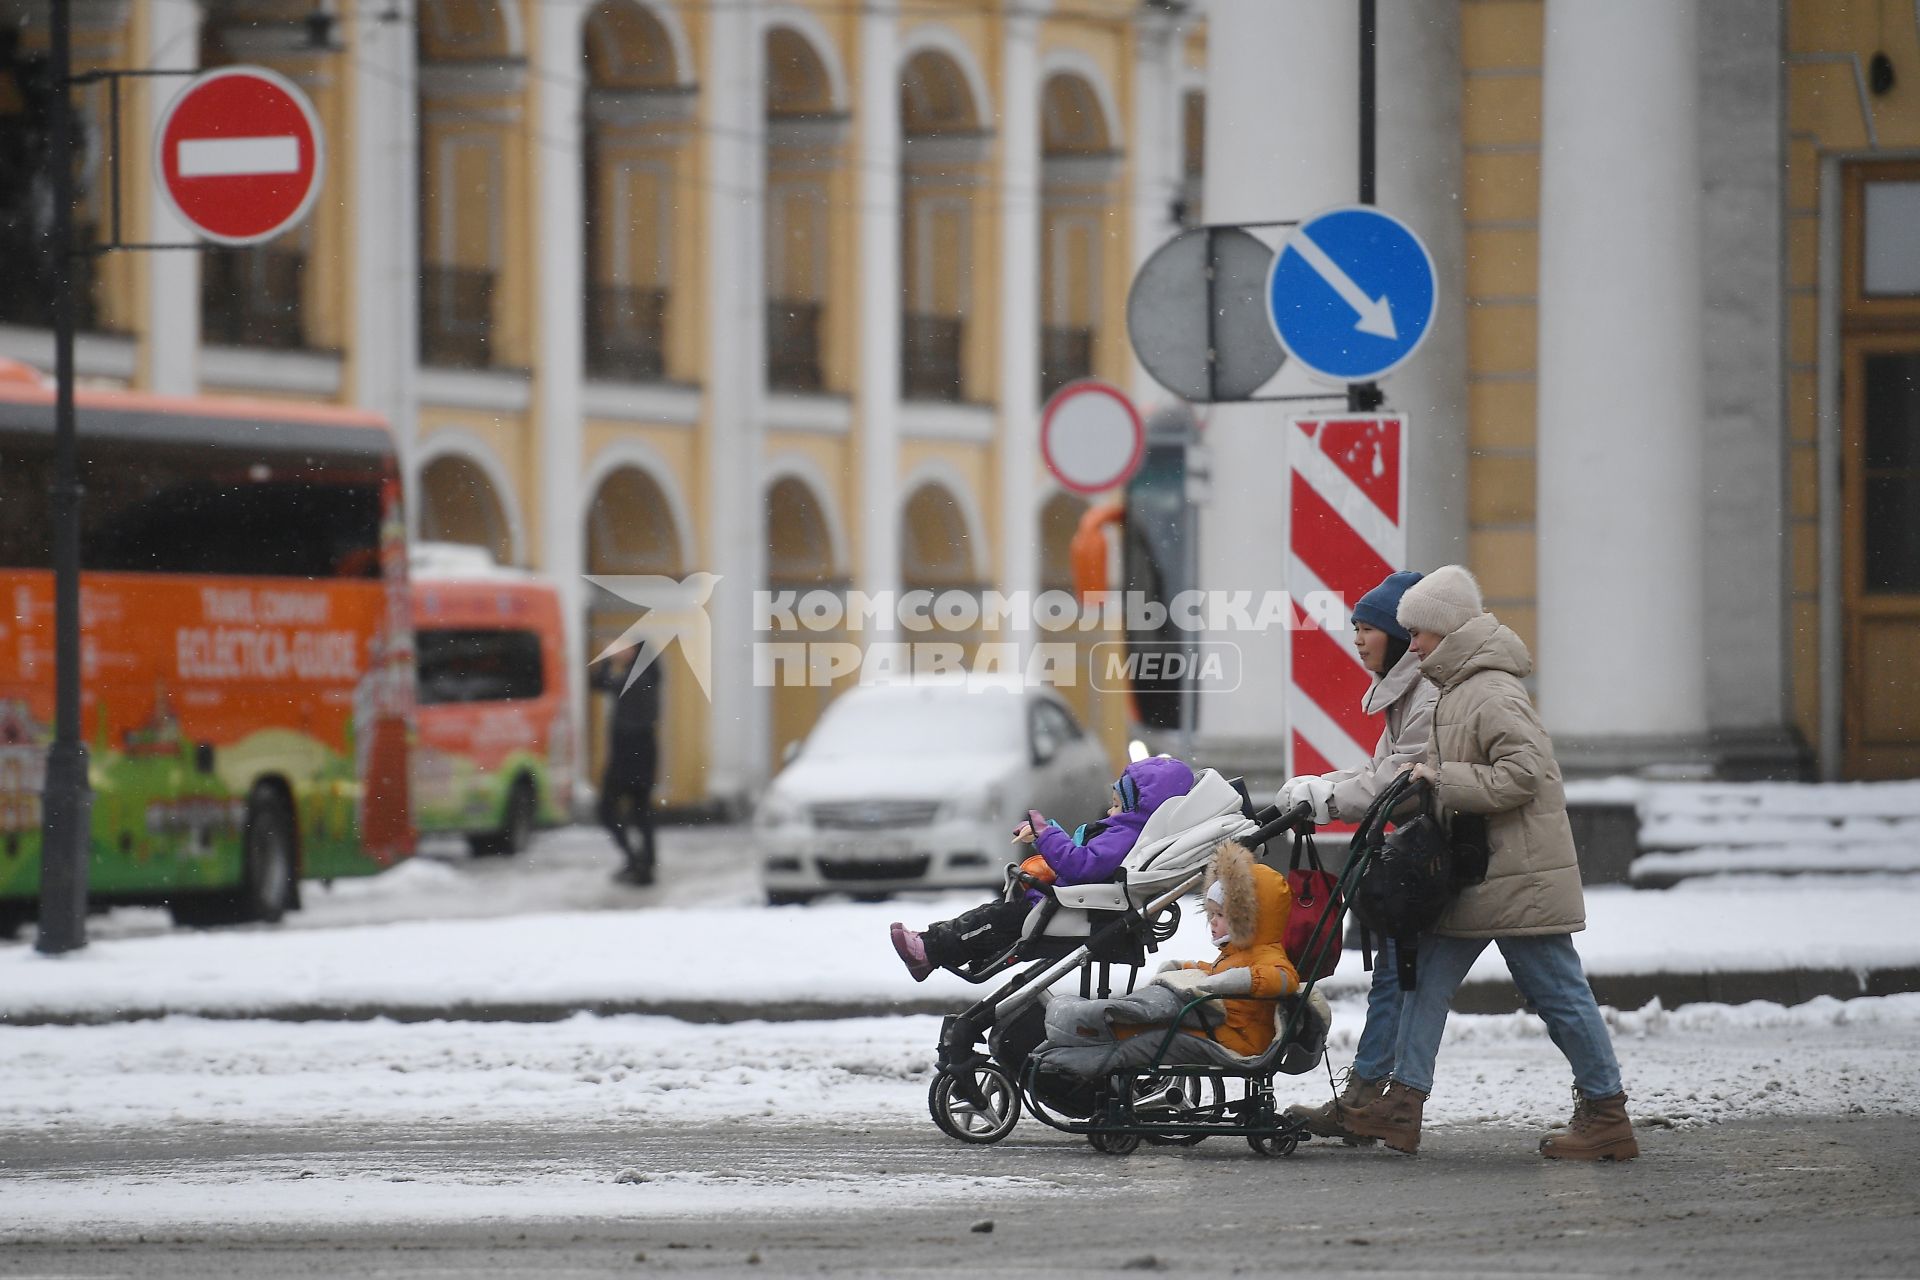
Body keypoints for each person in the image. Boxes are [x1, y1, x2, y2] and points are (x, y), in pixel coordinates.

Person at [1337, 565, 1639, 1161]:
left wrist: (1441, 778)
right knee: (1422, 982)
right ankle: (1401, 1106)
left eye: (1420, 633)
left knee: (1558, 993)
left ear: (1446, 631)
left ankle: (1607, 1113)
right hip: (1478, 874)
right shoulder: (1457, 688)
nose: (1413, 645)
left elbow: (1527, 773)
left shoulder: (1492, 690)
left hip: (1519, 876)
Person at [1269, 569, 1438, 1143]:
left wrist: (1326, 796)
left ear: (1396, 633)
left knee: (1411, 977)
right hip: (1426, 854)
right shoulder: (1405, 694)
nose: (1358, 639)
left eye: (1366, 628)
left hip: (1435, 858)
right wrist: (1321, 787)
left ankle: (1376, 1098)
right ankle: (1376, 1099)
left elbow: (1397, 781)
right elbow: (1382, 774)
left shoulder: (1424, 696)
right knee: (1403, 976)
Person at [889, 756, 1195, 981]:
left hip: (1069, 910)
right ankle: (929, 943)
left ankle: (930, 950)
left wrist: (1045, 834)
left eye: (1116, 804)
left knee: (995, 920)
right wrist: (1047, 833)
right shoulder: (1127, 831)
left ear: (1136, 805)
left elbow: (1082, 865)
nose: (1110, 810)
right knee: (992, 916)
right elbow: (1083, 856)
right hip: (1063, 905)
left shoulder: (1124, 833)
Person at [1028, 838, 1300, 1078]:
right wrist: (1186, 968)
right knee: (1149, 1022)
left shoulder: (1266, 954)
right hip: (1218, 1030)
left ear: (1248, 918)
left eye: (1220, 915)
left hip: (1237, 1042)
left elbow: (1284, 979)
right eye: (1211, 914)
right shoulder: (1237, 953)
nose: (1212, 923)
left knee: (1144, 1039)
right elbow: (1218, 975)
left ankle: (1068, 1056)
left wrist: (1238, 981)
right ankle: (1086, 1032)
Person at [594, 649, 661, 886]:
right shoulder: (647, 677)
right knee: (641, 813)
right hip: (641, 760)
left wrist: (609, 662)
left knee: (607, 810)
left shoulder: (637, 680)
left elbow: (601, 682)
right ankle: (643, 863)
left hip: (629, 760)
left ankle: (638, 862)